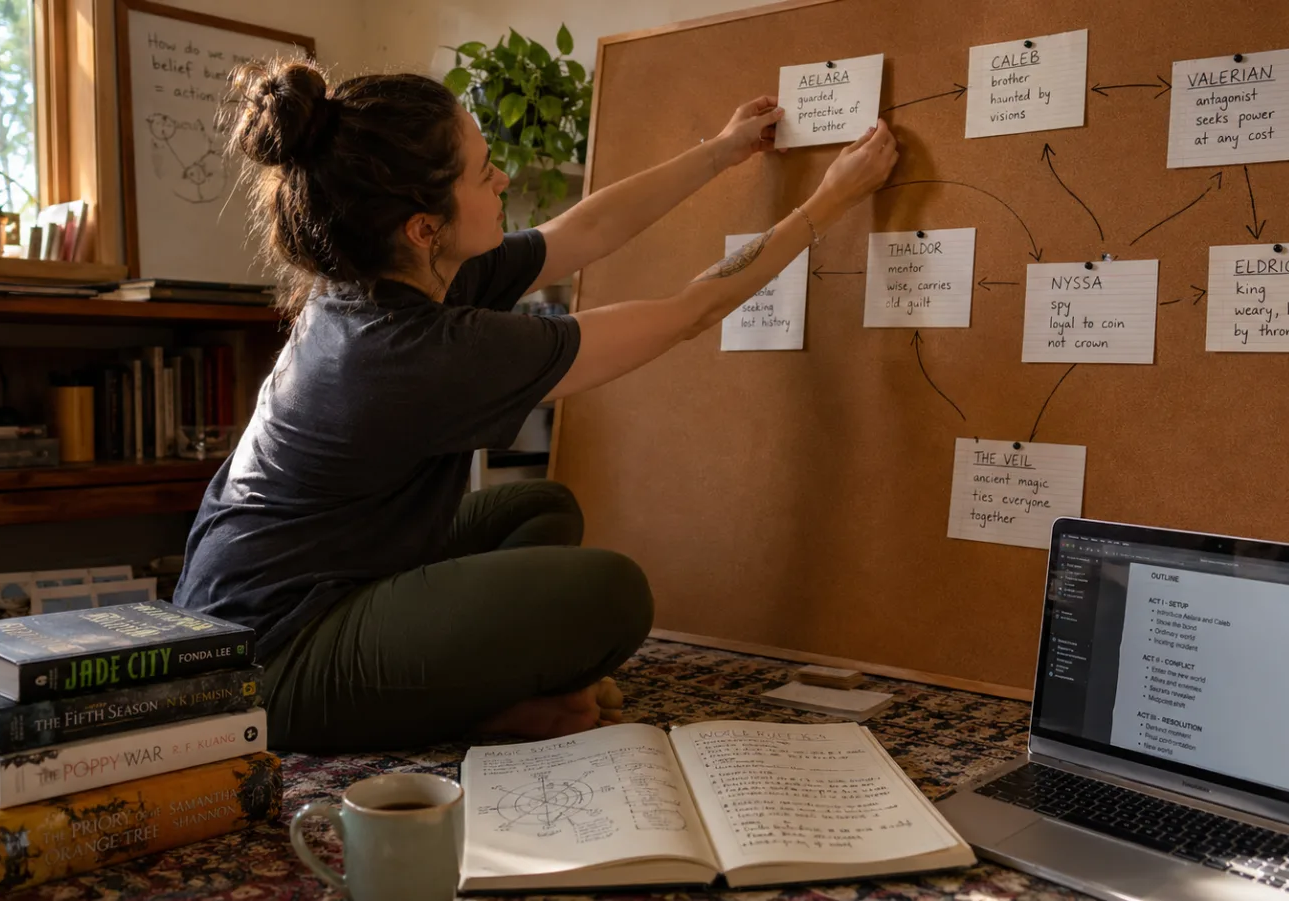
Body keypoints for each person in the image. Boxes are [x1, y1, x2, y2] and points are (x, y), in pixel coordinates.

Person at [171, 59, 900, 753]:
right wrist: (829, 201)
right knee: (611, 595)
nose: (504, 179)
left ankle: (477, 697)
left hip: (312, 589)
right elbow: (689, 312)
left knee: (538, 508)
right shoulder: (414, 351)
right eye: (484, 172)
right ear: (423, 225)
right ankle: (462, 700)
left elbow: (581, 232)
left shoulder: (391, 272)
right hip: (268, 662)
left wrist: (722, 150)